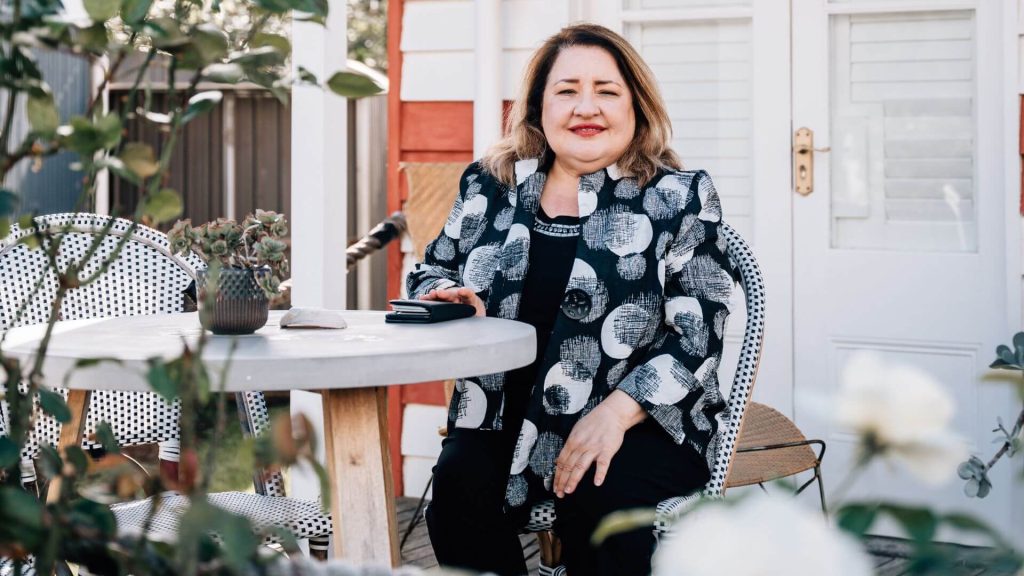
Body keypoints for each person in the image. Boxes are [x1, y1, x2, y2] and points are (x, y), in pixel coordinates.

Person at [407, 23, 736, 576]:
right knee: (457, 493)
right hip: (502, 413)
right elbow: (429, 270)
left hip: (636, 421)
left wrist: (614, 414)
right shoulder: (490, 185)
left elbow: (699, 332)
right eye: (567, 90)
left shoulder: (677, 196)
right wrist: (445, 293)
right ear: (538, 106)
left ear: (636, 105)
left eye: (606, 91)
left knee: (601, 502)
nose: (587, 107)